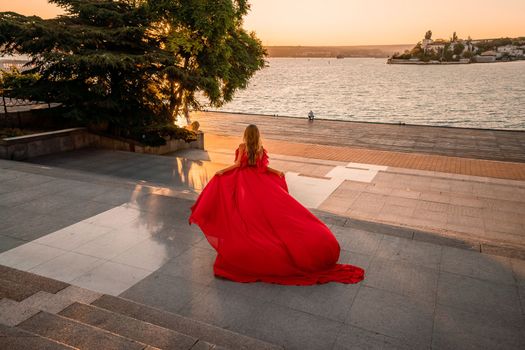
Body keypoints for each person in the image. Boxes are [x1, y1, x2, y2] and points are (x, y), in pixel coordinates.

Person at [189, 124, 364, 285]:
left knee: (245, 213)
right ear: (257, 136)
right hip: (260, 182)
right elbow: (263, 169)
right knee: (272, 214)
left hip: (245, 182)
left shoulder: (242, 148)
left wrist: (221, 172)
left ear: (246, 135)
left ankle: (249, 241)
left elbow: (236, 165)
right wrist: (277, 172)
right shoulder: (260, 149)